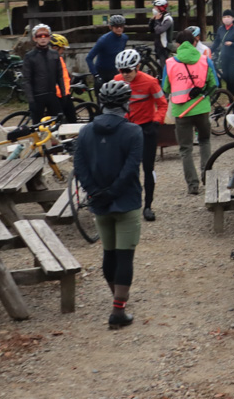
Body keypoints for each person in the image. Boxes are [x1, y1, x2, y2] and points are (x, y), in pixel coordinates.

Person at [73, 79, 144, 330]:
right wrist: (113, 192)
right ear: (126, 103)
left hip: (99, 202)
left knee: (109, 253)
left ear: (102, 103)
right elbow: (131, 168)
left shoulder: (85, 132)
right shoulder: (134, 131)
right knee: (125, 256)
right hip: (126, 201)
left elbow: (79, 167)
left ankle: (117, 299)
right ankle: (118, 310)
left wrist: (96, 192)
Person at [161, 30, 219, 195]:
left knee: (185, 149)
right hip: (202, 108)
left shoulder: (170, 63)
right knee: (205, 141)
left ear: (178, 45)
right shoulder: (205, 60)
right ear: (194, 43)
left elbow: (165, 87)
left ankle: (192, 185)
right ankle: (207, 177)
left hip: (182, 111)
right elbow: (214, 83)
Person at [113, 48, 166, 222]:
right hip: (126, 128)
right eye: (122, 70)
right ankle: (126, 202)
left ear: (137, 67)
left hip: (146, 128)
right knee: (125, 168)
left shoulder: (150, 82)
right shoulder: (117, 80)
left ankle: (148, 206)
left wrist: (157, 122)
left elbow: (162, 104)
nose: (125, 74)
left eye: (128, 70)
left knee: (148, 168)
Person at [21, 24, 71, 123]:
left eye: (45, 36)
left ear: (49, 38)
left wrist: (64, 94)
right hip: (37, 97)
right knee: (37, 126)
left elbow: (59, 76)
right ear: (35, 39)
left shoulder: (54, 54)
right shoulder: (30, 56)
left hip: (52, 95)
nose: (43, 39)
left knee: (59, 124)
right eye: (39, 36)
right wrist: (31, 100)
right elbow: (26, 80)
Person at [211, 9, 234, 98]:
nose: (226, 19)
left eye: (228, 17)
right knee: (226, 78)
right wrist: (209, 51)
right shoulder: (221, 29)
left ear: (232, 18)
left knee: (232, 78)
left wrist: (232, 44)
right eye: (224, 17)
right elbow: (217, 42)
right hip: (224, 56)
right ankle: (231, 98)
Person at [87, 14, 129, 87]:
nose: (119, 29)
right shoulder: (103, 40)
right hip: (102, 72)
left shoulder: (124, 38)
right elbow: (89, 58)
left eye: (121, 26)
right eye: (116, 27)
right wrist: (95, 75)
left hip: (115, 71)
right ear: (110, 27)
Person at [48, 34, 80, 123]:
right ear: (55, 48)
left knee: (71, 118)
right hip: (58, 95)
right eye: (62, 48)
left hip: (65, 93)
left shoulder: (59, 58)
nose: (63, 50)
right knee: (60, 120)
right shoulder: (51, 60)